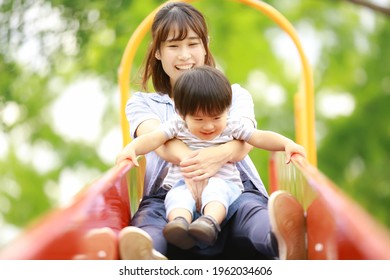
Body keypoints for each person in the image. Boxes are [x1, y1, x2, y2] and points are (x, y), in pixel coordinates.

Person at [116, 1, 306, 260]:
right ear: (158, 52)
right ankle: (148, 255)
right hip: (170, 187)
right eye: (173, 46)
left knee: (250, 212)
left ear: (205, 47)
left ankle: (280, 240)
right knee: (152, 219)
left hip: (232, 183)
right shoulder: (144, 103)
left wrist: (216, 158)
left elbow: (246, 140)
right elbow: (160, 142)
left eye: (193, 44)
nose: (185, 55)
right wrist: (195, 164)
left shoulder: (232, 94)